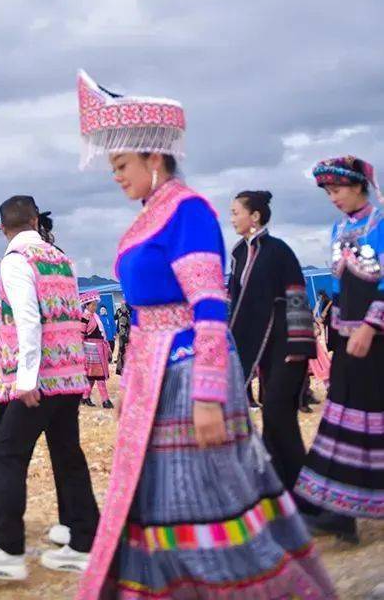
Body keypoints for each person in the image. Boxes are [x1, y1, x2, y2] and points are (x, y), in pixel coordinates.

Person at [75, 70, 334, 600]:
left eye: (121, 165)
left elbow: (210, 309)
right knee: (158, 498)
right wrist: (130, 388)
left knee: (204, 496)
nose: (116, 176)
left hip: (189, 371)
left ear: (153, 157)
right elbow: (146, 317)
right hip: (154, 372)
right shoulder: (152, 215)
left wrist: (210, 394)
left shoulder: (188, 211)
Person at [0, 196, 98, 581]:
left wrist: (26, 378)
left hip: (42, 378)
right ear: (36, 220)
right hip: (70, 373)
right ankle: (84, 536)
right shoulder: (62, 259)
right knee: (68, 453)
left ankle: (7, 546)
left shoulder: (16, 261)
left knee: (7, 452)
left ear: (3, 228)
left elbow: (29, 319)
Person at [296, 156, 384, 543]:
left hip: (376, 338)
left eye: (338, 189)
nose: (333, 197)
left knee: (370, 416)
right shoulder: (339, 228)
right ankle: (340, 511)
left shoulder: (380, 225)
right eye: (328, 191)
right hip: (349, 340)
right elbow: (339, 288)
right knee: (345, 419)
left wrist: (371, 324)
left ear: (360, 186)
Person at [227, 189, 316, 491]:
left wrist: (300, 345)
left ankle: (300, 490)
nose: (232, 219)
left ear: (255, 216)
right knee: (273, 414)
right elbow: (235, 301)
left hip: (286, 344)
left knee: (278, 412)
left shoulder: (278, 251)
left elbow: (296, 296)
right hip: (258, 348)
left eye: (236, 212)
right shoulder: (239, 254)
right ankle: (281, 490)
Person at [81, 296, 112, 408]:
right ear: (87, 305)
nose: (95, 307)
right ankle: (105, 400)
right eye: (93, 305)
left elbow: (102, 334)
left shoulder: (96, 317)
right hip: (91, 348)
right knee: (99, 375)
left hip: (99, 347)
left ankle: (85, 397)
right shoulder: (85, 317)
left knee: (93, 376)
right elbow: (81, 335)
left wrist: (107, 347)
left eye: (95, 304)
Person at [114, 301, 130, 376]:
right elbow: (122, 327)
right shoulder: (124, 312)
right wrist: (125, 339)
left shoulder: (124, 311)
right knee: (124, 354)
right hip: (125, 338)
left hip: (126, 337)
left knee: (123, 354)